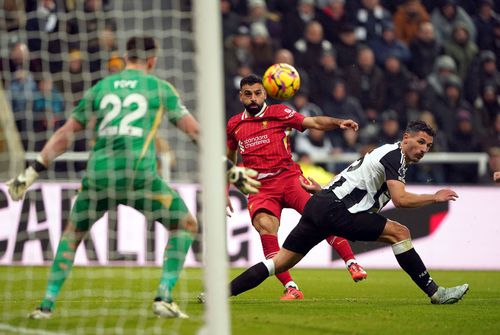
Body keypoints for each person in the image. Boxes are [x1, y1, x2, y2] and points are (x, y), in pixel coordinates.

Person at [7, 36, 259, 320]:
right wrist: (228, 167)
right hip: (139, 178)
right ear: (152, 60)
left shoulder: (101, 87)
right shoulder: (160, 88)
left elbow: (66, 134)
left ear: (126, 58)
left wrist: (32, 171)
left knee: (71, 235)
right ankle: (164, 296)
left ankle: (46, 305)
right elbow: (195, 133)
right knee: (185, 225)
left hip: (98, 177)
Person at [230, 121, 469, 305]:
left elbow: (351, 179)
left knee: (278, 263)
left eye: (428, 145)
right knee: (400, 232)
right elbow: (401, 199)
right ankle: (435, 292)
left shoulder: (387, 152)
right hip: (338, 210)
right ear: (406, 138)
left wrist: (321, 192)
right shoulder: (394, 157)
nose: (424, 149)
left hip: (321, 204)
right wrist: (434, 197)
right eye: (420, 142)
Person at [226, 74, 366, 301]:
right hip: (260, 188)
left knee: (320, 215)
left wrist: (338, 122)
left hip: (289, 178)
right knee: (265, 227)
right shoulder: (234, 124)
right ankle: (291, 287)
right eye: (248, 94)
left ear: (265, 94)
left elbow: (314, 122)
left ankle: (352, 263)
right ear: (241, 96)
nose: (253, 98)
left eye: (257, 93)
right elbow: (229, 159)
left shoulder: (279, 113)